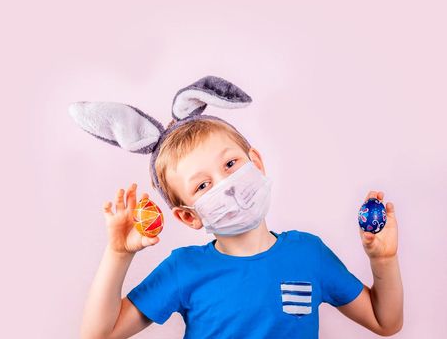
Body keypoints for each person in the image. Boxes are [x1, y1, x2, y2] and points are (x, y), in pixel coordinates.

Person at [70, 75, 403, 338]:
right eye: (202, 185)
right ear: (188, 215)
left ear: (255, 162)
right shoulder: (184, 269)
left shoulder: (309, 253)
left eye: (230, 164)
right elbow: (99, 335)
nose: (226, 186)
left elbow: (384, 322)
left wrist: (383, 260)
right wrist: (118, 254)